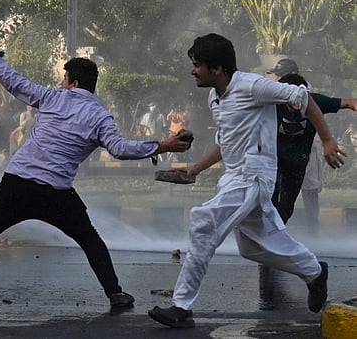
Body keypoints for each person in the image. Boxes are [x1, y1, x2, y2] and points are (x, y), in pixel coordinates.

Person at [0, 32, 193, 309]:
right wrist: (162, 145)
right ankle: (115, 293)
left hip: (17, 182)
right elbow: (120, 149)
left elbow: (14, 82)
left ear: (73, 82)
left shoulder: (52, 98)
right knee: (90, 240)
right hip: (56, 192)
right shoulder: (100, 116)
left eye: (64, 79)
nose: (61, 83)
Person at [148, 33, 345, 329]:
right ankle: (315, 272)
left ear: (218, 68)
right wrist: (195, 169)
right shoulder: (215, 97)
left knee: (203, 222)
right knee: (253, 247)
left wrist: (328, 140)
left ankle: (181, 306)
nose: (193, 70)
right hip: (234, 176)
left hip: (254, 175)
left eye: (197, 65)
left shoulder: (252, 86)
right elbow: (226, 143)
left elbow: (303, 98)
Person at [272, 72, 356, 225]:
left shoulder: (314, 101)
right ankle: (263, 235)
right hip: (273, 160)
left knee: (286, 208)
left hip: (297, 161)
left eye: (302, 99)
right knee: (268, 199)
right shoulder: (272, 103)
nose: (299, 104)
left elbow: (349, 102)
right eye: (294, 100)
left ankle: (276, 233)